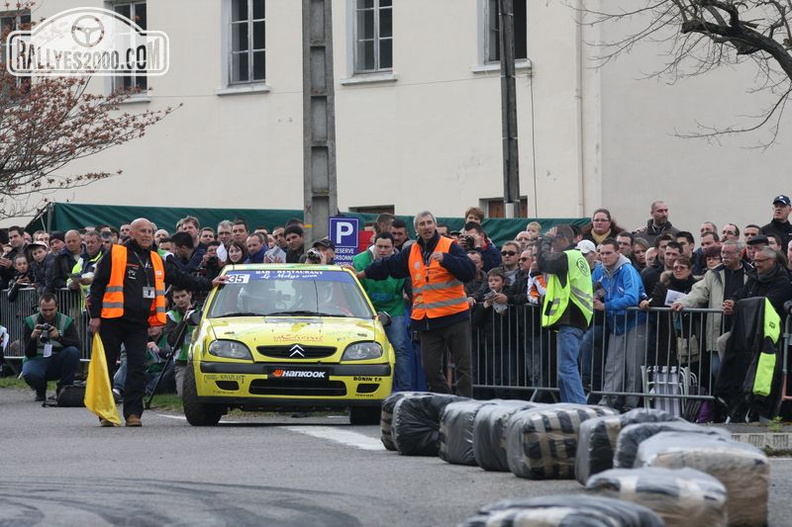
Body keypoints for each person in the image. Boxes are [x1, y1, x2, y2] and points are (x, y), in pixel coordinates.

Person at [88, 218, 226, 427]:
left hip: (138, 323)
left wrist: (209, 283)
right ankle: (106, 412)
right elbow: (97, 286)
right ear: (132, 234)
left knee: (137, 367)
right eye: (142, 231)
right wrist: (95, 316)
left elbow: (181, 278)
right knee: (106, 367)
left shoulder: (155, 259)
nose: (146, 235)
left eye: (150, 232)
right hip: (112, 320)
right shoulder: (116, 254)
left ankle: (133, 413)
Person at [354, 210, 475, 397]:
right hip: (428, 321)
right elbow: (388, 266)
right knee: (431, 370)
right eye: (422, 224)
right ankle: (446, 404)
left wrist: (447, 260)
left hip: (455, 318)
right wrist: (362, 273)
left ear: (435, 225)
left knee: (463, 368)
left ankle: (464, 409)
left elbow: (469, 272)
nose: (426, 227)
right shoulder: (412, 251)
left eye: (429, 223)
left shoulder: (449, 246)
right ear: (416, 229)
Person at [536, 224, 593, 404]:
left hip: (571, 318)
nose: (552, 247)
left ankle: (580, 408)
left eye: (554, 242)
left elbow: (544, 261)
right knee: (565, 369)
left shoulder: (567, 257)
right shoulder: (578, 258)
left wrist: (544, 240)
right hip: (577, 318)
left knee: (567, 368)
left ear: (562, 240)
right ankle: (572, 408)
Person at [353, 232, 413, 391]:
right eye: (379, 246)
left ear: (393, 248)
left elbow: (409, 289)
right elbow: (356, 290)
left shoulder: (401, 262)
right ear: (373, 244)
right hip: (367, 312)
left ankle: (405, 391)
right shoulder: (359, 261)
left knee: (399, 348)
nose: (382, 250)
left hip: (394, 310)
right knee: (365, 350)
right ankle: (365, 390)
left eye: (387, 247)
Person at [593, 239, 646, 411]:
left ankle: (630, 405)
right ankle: (608, 402)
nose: (604, 256)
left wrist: (606, 306)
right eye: (601, 253)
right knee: (612, 364)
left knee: (633, 365)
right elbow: (593, 290)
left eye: (608, 253)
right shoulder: (599, 270)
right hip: (615, 322)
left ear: (618, 253)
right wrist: (593, 298)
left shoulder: (627, 270)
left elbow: (632, 298)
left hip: (635, 321)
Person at [21, 293, 81, 402]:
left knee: (73, 352)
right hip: (37, 359)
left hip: (57, 358)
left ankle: (63, 390)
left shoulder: (66, 321)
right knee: (30, 373)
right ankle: (40, 390)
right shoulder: (30, 322)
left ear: (57, 307)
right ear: (39, 307)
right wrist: (33, 338)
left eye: (51, 309)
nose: (48, 313)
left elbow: (77, 345)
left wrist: (59, 337)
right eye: (44, 310)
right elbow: (28, 353)